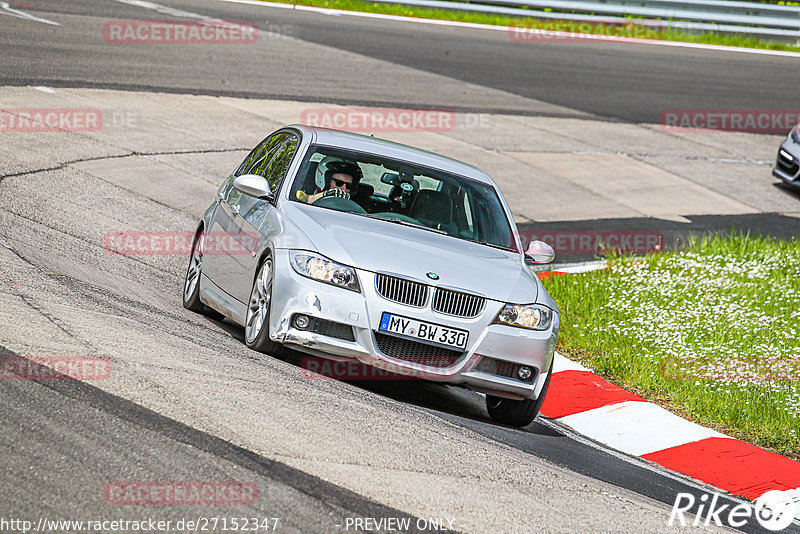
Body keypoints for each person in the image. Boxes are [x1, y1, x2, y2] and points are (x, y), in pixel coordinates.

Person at [297, 157, 362, 204]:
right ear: (324, 180)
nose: (344, 188)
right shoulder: (302, 193)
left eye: (349, 185)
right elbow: (303, 199)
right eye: (339, 183)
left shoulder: (359, 205)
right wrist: (325, 194)